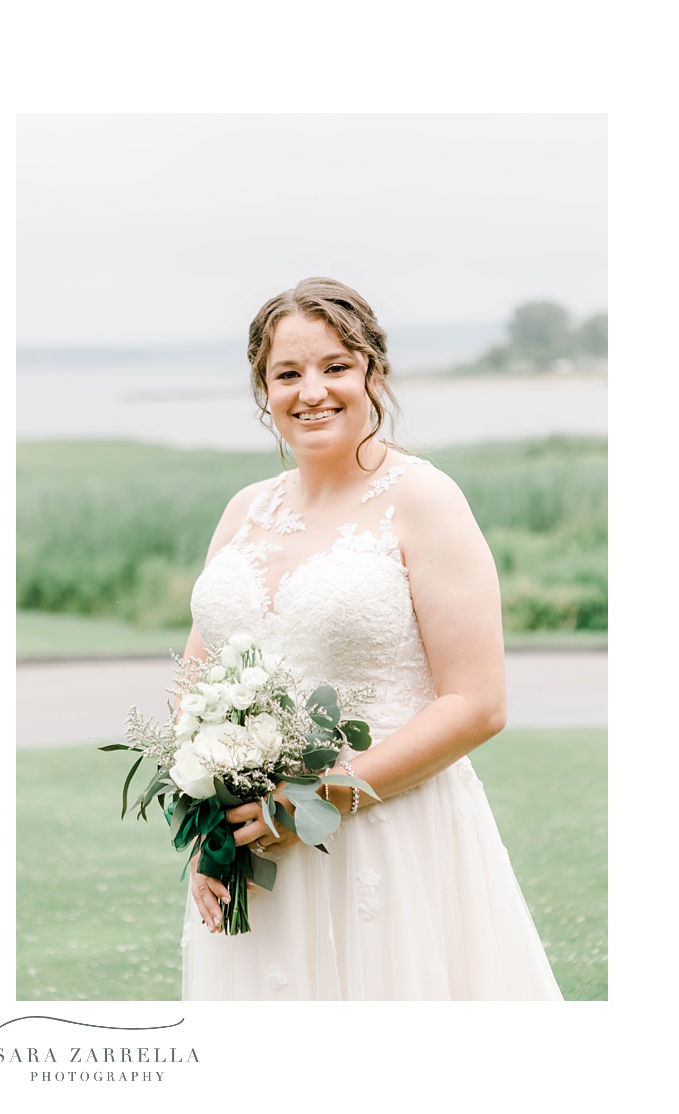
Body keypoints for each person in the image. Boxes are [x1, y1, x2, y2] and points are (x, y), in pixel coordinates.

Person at [180, 277, 562, 999]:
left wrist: (308, 803)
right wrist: (205, 825)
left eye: (334, 366)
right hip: (254, 858)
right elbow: (194, 684)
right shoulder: (243, 510)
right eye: (286, 373)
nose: (311, 390)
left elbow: (477, 704)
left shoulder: (422, 499)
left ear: (371, 374)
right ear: (264, 391)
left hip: (387, 841)